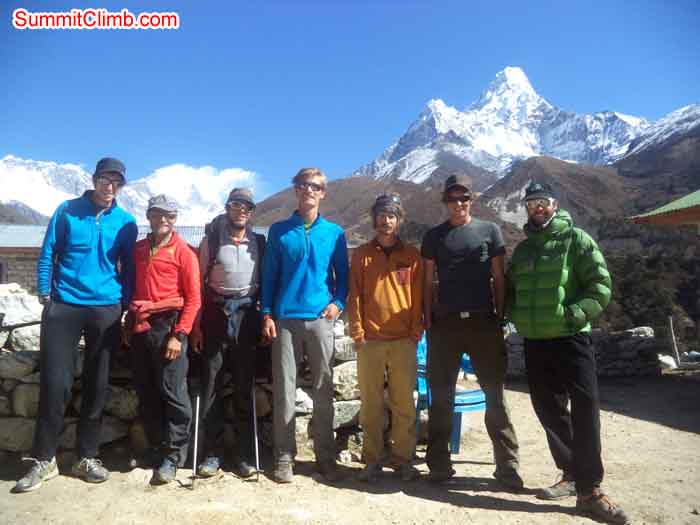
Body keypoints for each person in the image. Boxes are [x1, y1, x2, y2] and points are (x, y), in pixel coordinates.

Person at [506, 182, 628, 524]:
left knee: (585, 410)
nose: (537, 208)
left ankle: (590, 490)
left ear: (555, 205)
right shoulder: (524, 250)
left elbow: (600, 285)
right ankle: (570, 474)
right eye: (531, 203)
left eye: (542, 202)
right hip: (535, 341)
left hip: (572, 339)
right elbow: (512, 290)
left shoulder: (577, 240)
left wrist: (575, 315)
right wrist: (514, 315)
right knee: (549, 411)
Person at [14, 158, 137, 493]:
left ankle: (87, 456)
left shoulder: (126, 222)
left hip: (105, 308)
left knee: (98, 384)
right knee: (55, 383)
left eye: (116, 181)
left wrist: (123, 305)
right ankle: (43, 459)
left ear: (121, 186)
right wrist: (44, 293)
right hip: (64, 304)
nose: (109, 186)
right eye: (104, 179)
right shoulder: (67, 210)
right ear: (94, 180)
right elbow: (48, 251)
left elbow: (129, 268)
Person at [421, 174, 522, 489]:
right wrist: (427, 318)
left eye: (464, 198)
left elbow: (499, 278)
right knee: (441, 396)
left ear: (472, 200)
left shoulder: (489, 231)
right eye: (453, 199)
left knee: (496, 397)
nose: (459, 204)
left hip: (483, 323)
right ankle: (438, 465)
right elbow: (426, 281)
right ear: (445, 202)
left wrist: (500, 316)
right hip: (444, 326)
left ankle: (507, 468)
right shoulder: (434, 236)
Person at [261, 167, 349, 483]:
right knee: (285, 390)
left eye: (315, 186)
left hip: (319, 320)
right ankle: (284, 457)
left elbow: (343, 278)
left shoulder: (335, 233)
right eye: (303, 185)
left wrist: (337, 304)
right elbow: (269, 275)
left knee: (324, 389)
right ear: (296, 191)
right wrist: (267, 313)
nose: (308, 190)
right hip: (286, 319)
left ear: (322, 193)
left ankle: (325, 456)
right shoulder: (279, 231)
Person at [347, 193, 423, 482]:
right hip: (371, 341)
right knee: (371, 405)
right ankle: (372, 460)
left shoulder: (411, 255)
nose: (385, 221)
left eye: (391, 215)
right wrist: (357, 330)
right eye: (381, 215)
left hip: (404, 340)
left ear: (399, 220)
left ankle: (403, 460)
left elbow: (418, 296)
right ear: (374, 219)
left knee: (404, 403)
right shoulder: (362, 255)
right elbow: (355, 295)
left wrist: (416, 329)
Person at [127, 195, 201, 484]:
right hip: (140, 327)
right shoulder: (138, 249)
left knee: (173, 392)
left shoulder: (184, 252)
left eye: (170, 215)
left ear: (176, 219)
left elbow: (193, 299)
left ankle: (174, 455)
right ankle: (157, 449)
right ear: (148, 216)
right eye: (158, 214)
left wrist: (179, 334)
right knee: (147, 390)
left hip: (169, 327)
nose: (164, 220)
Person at [193, 188, 266, 479]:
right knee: (211, 385)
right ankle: (211, 453)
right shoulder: (211, 240)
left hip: (247, 315)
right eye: (236, 205)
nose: (241, 210)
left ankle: (246, 455)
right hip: (215, 313)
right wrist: (196, 324)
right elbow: (197, 283)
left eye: (247, 206)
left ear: (251, 211)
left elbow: (265, 280)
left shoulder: (259, 242)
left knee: (243, 387)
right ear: (227, 208)